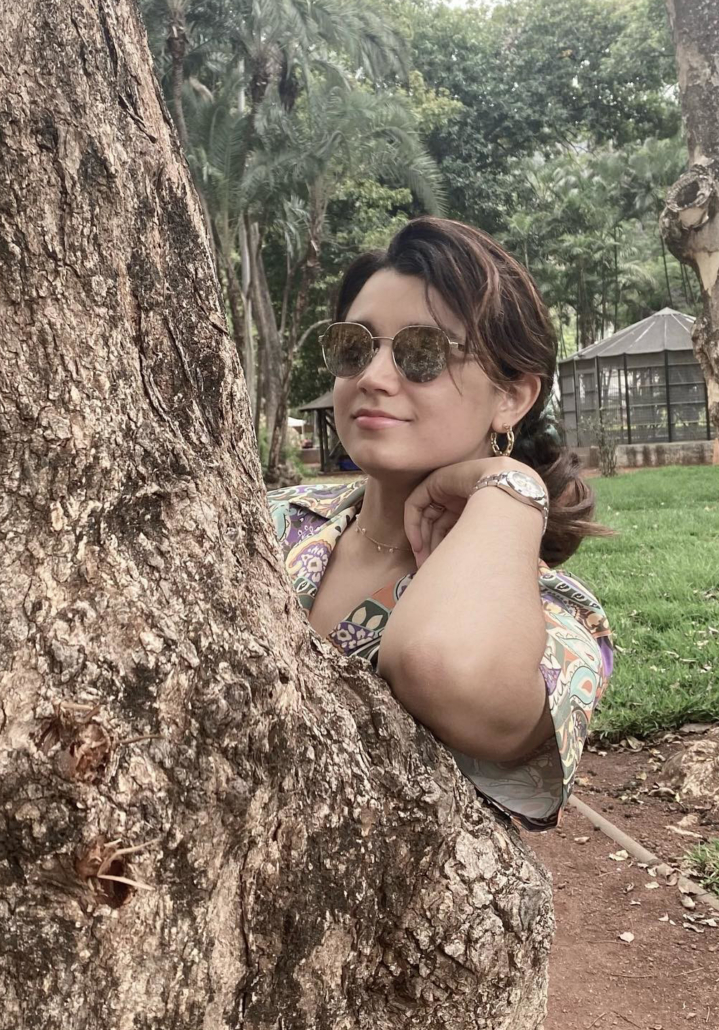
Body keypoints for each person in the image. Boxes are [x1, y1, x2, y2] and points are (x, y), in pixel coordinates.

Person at [267, 216, 613, 832]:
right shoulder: (267, 524)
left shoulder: (554, 619)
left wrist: (512, 488)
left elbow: (442, 665)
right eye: (355, 346)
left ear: (511, 396)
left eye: (421, 353)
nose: (372, 377)